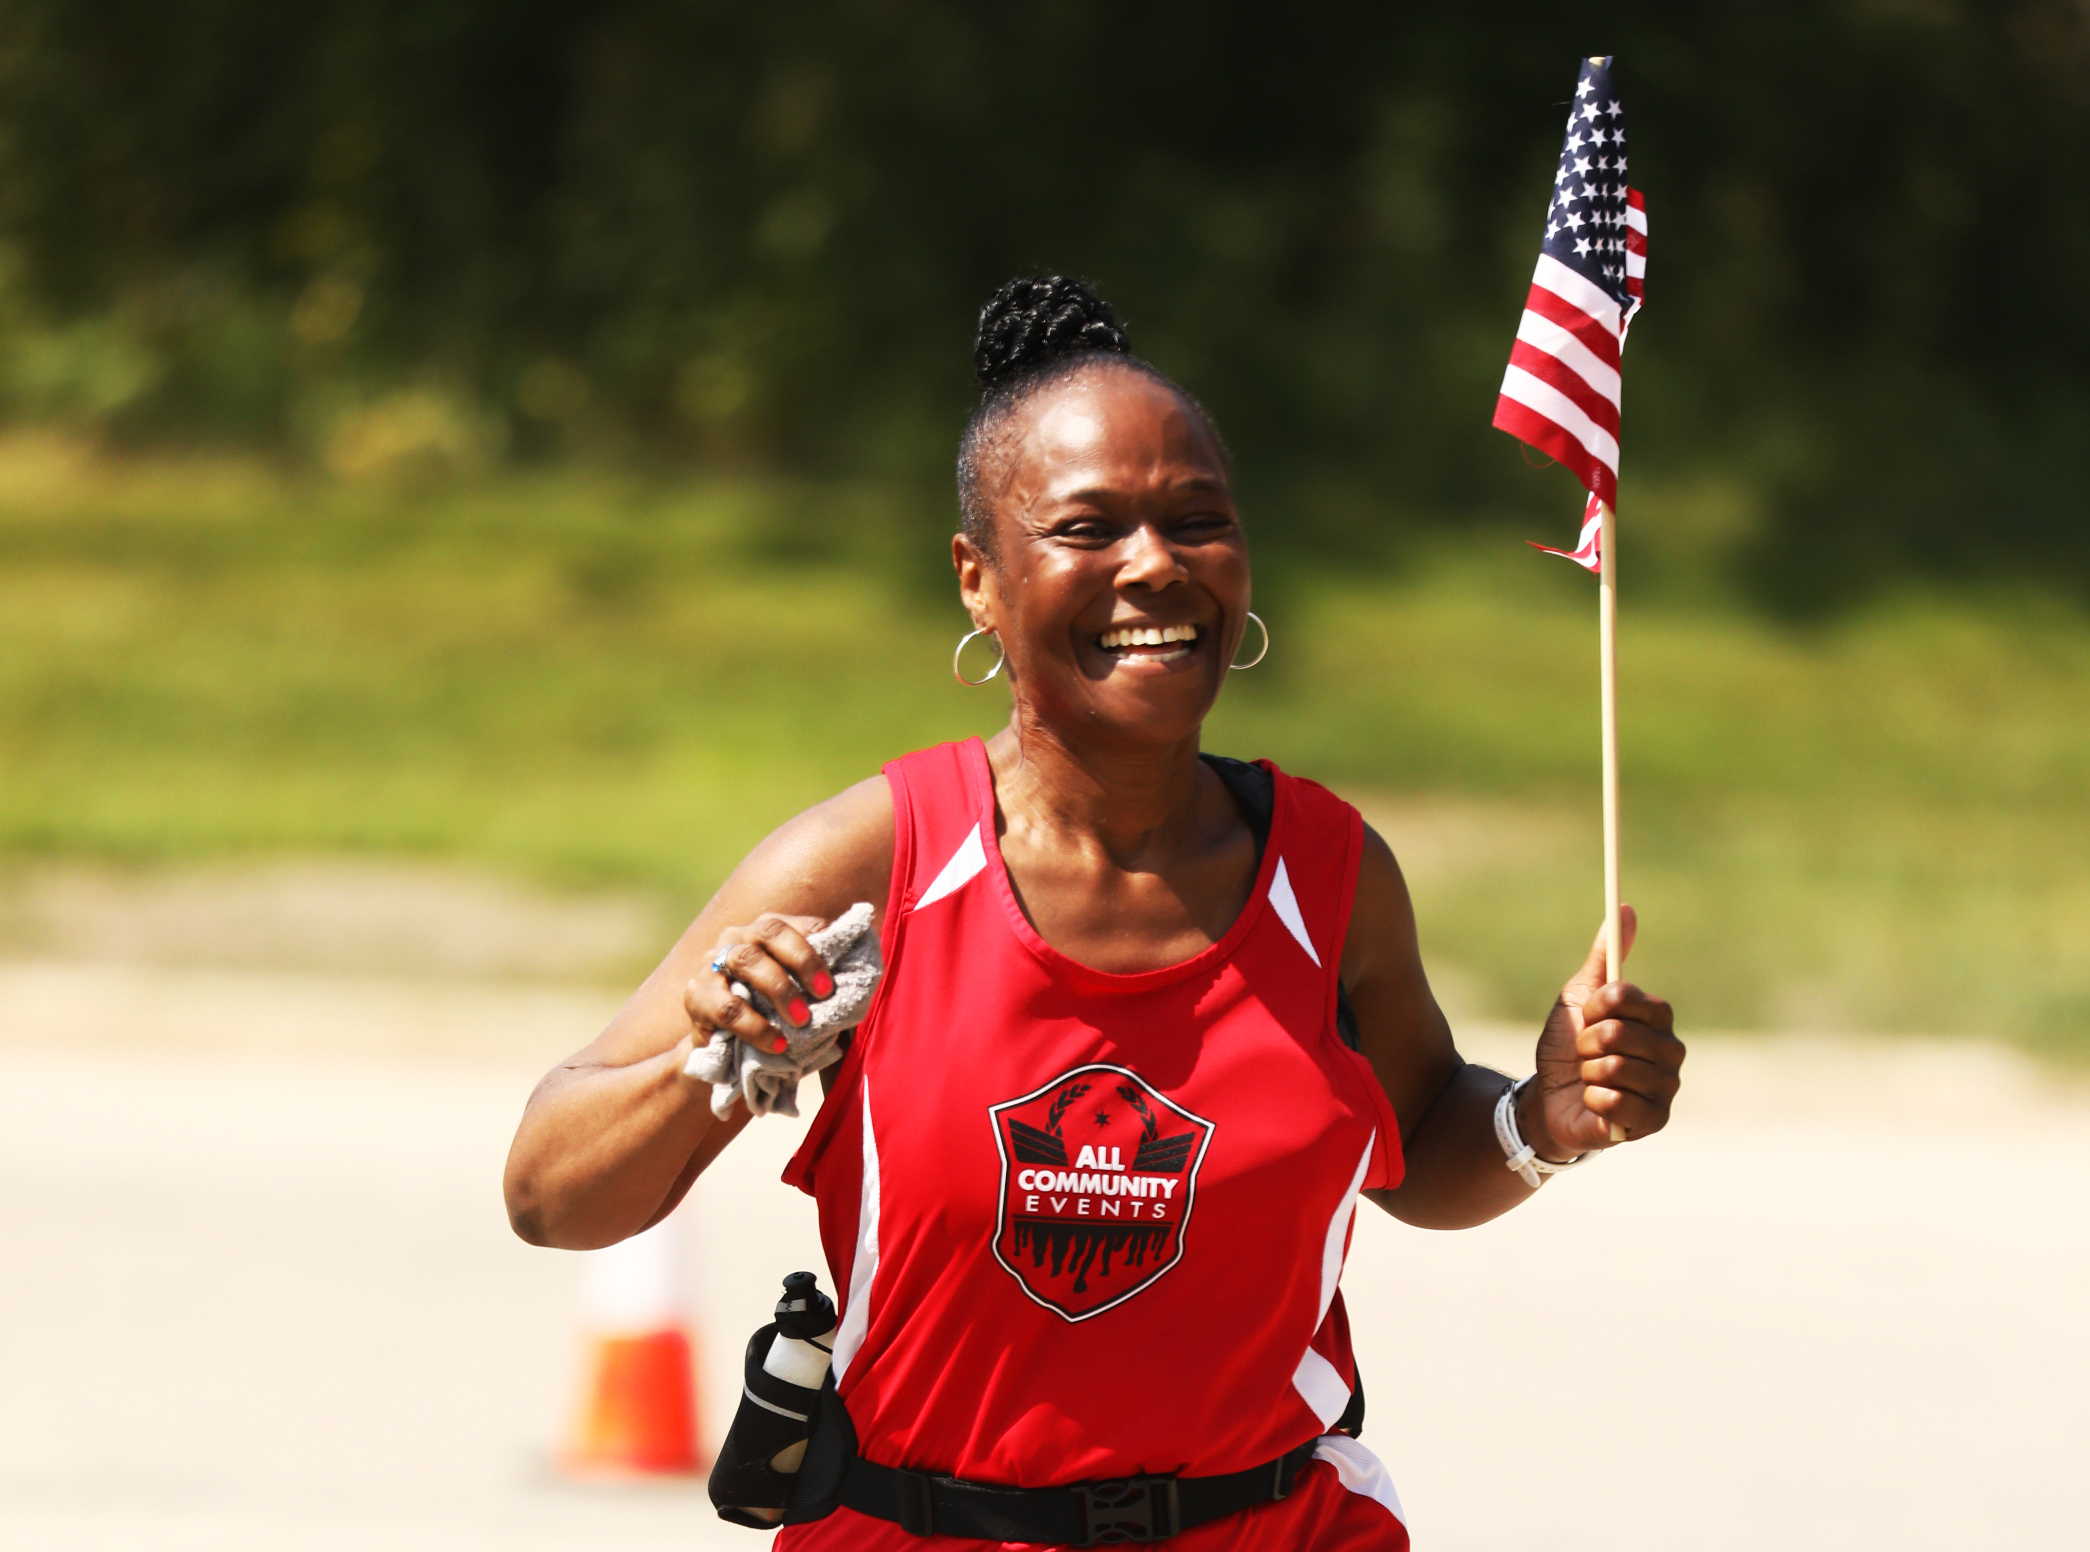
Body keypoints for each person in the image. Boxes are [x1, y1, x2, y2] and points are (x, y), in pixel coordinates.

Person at [503, 275, 1684, 1549]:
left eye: (1197, 520)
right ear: (978, 578)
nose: (1155, 566)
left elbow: (1422, 1144)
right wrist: (716, 1058)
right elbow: (549, 1196)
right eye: (1088, 527)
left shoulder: (1326, 872)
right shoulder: (876, 864)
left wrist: (1542, 1122)